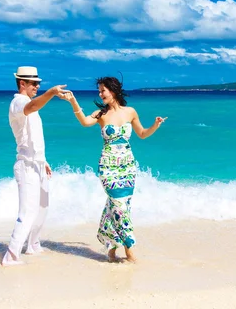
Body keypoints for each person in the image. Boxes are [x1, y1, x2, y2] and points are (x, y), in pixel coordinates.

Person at [60, 76, 166, 263]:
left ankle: (110, 249)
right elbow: (85, 122)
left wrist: (155, 125)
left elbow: (142, 134)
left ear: (113, 90)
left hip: (128, 167)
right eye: (99, 91)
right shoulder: (101, 114)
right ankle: (130, 251)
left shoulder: (130, 112)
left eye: (103, 91)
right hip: (108, 167)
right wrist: (73, 101)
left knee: (118, 206)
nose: (100, 94)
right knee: (118, 206)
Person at [1, 66, 67, 266]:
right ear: (22, 83)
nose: (37, 86)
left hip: (37, 164)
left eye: (39, 83)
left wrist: (44, 160)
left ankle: (33, 245)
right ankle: (11, 255)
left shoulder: (29, 102)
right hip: (26, 166)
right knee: (27, 212)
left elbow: (32, 137)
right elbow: (31, 108)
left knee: (43, 208)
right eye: (34, 83)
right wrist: (51, 93)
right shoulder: (18, 102)